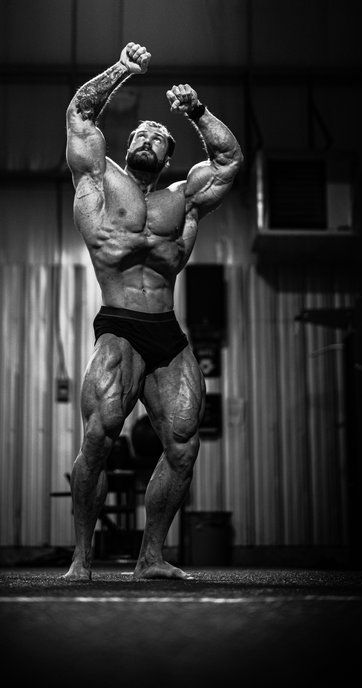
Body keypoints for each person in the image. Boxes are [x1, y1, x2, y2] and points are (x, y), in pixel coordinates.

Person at [63, 42, 243, 580]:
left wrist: (195, 112)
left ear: (168, 158)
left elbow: (229, 159)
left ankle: (151, 558)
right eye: (139, 132)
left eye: (158, 137)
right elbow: (80, 112)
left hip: (167, 329)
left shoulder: (183, 199)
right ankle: (81, 559)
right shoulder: (99, 180)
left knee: (183, 445)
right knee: (101, 433)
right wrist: (122, 69)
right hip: (119, 323)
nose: (146, 136)